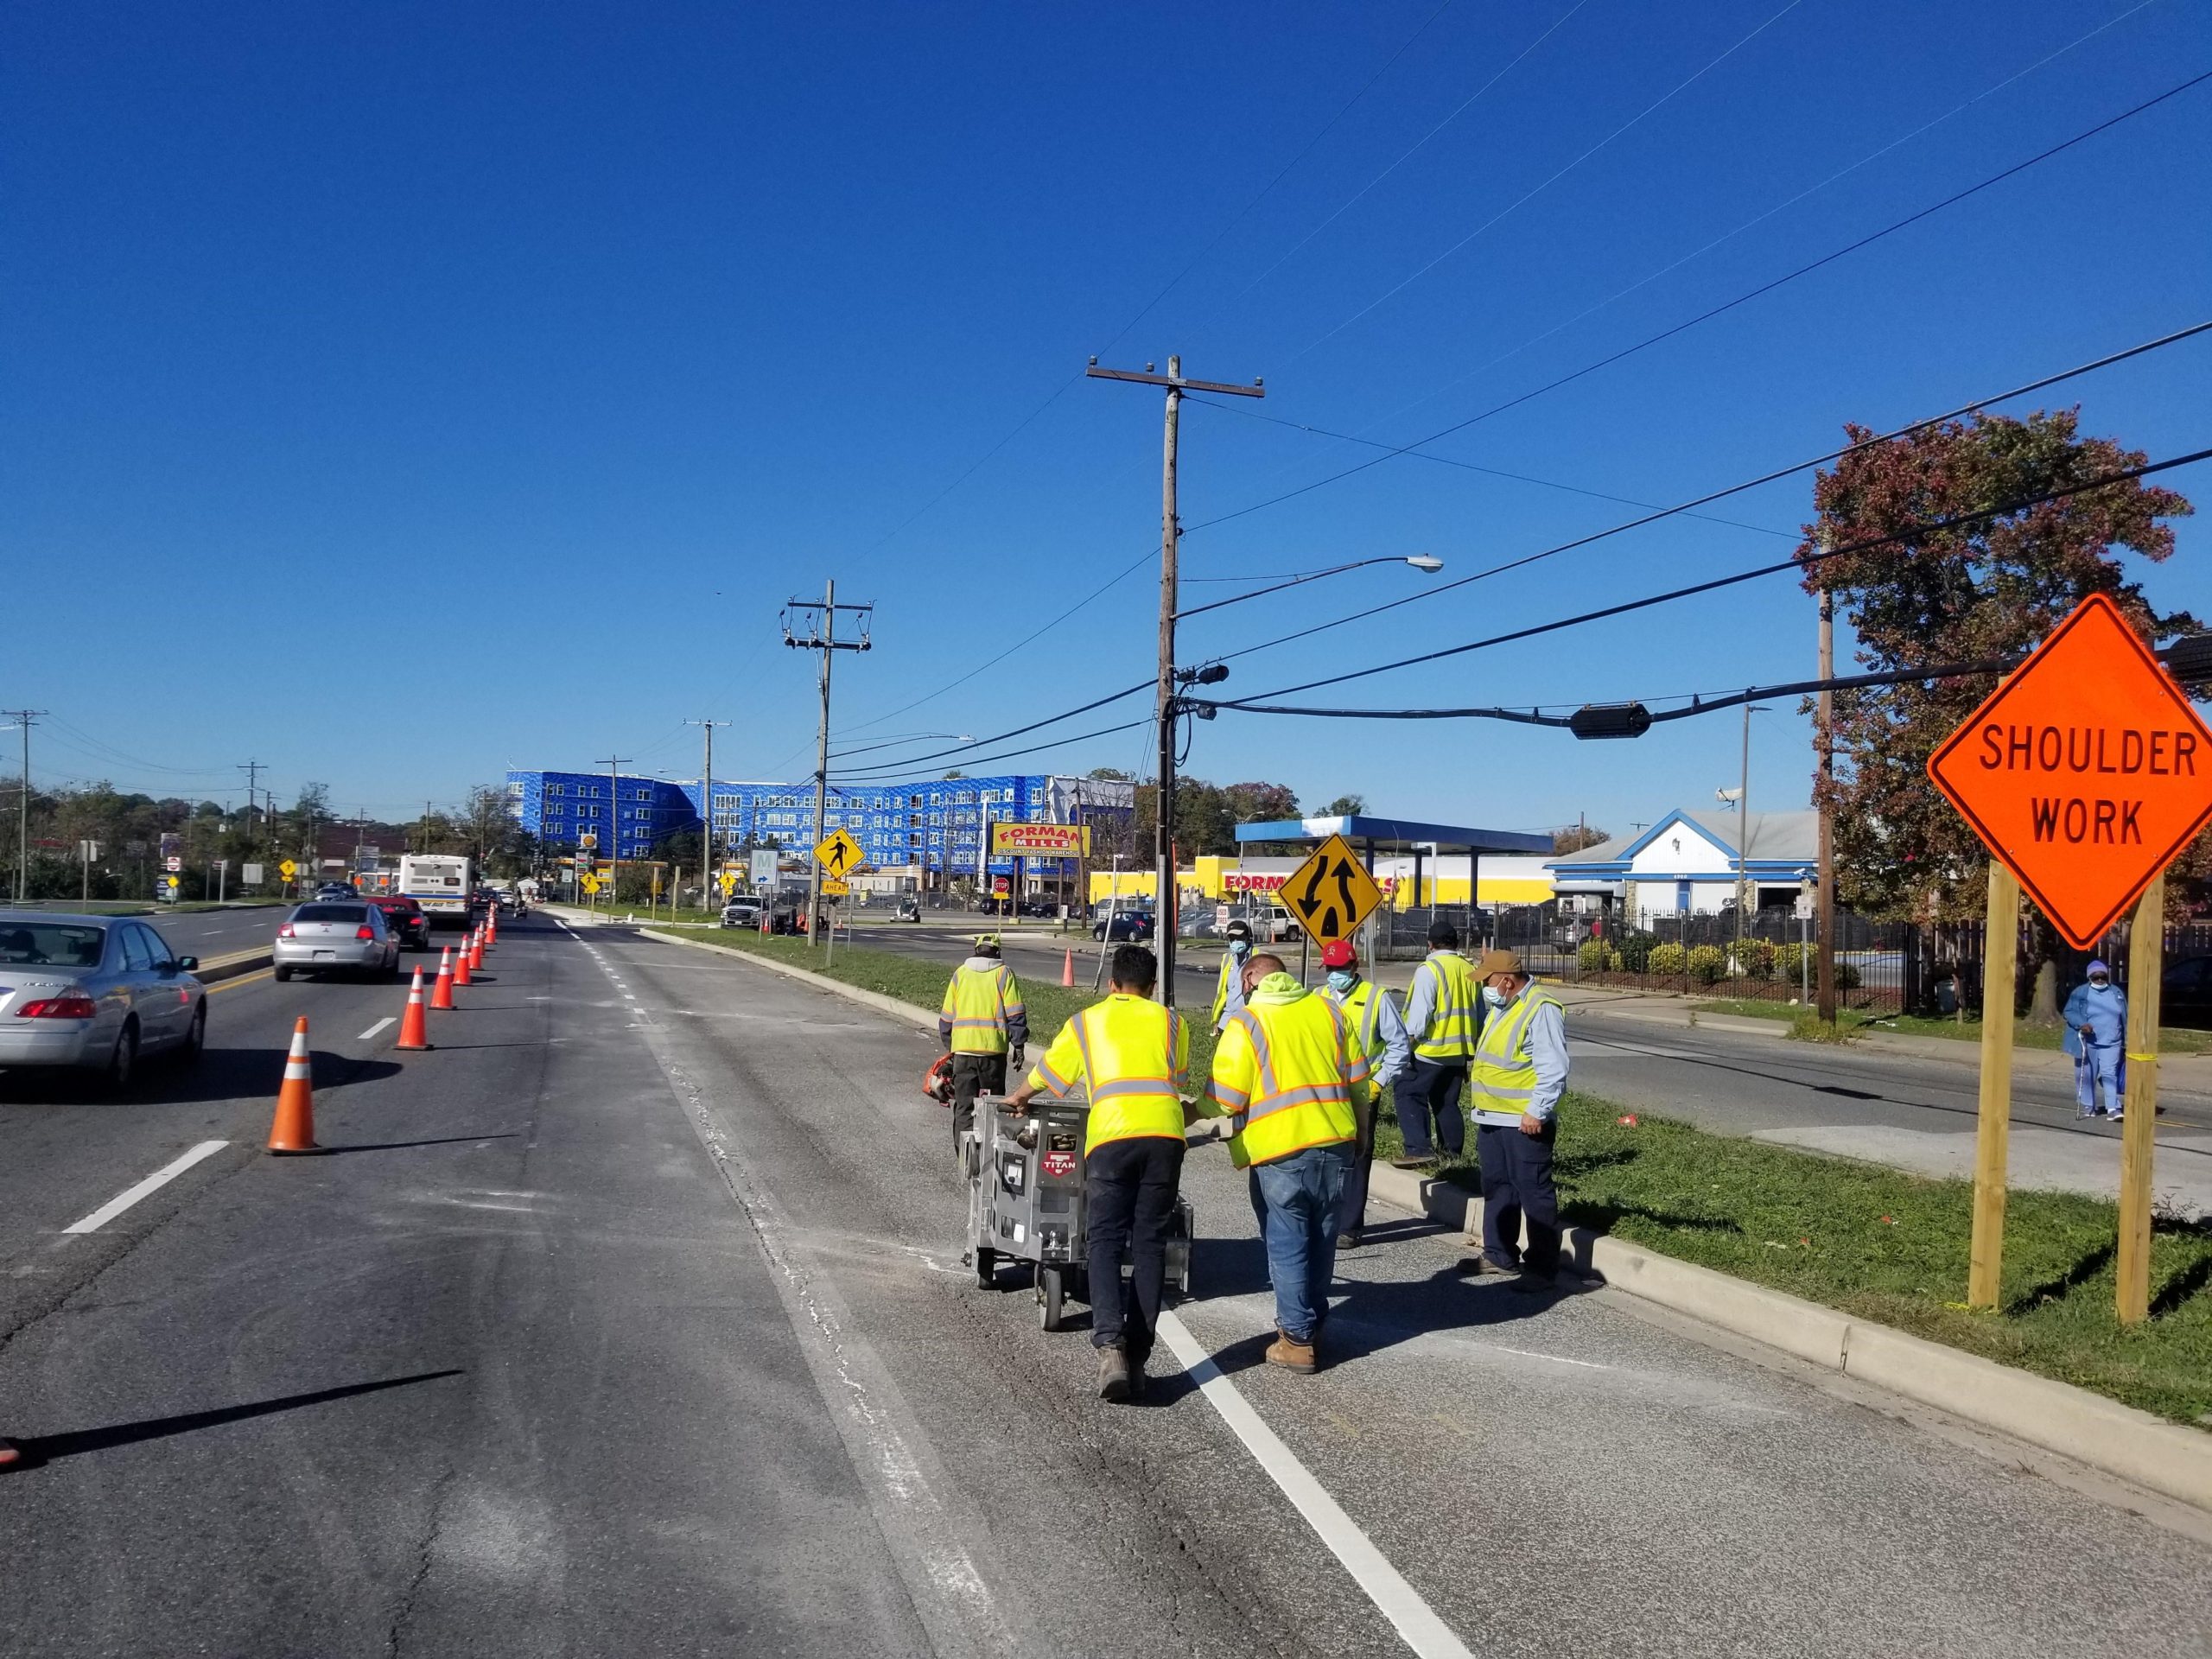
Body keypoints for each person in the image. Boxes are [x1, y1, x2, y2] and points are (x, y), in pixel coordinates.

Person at [1007, 944, 1192, 1402]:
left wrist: (1019, 1097)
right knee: (1149, 1246)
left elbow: (1051, 1074)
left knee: (1105, 1241)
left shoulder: (1086, 1023)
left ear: (1111, 984)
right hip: (1166, 1138)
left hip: (1112, 1138)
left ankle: (1110, 1346)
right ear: (1152, 988)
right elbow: (1180, 1078)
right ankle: (1140, 1355)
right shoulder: (1172, 1022)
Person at [1201, 951, 1367, 1374]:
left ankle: (1296, 1339)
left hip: (1281, 1153)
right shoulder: (1329, 1011)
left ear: (1254, 978)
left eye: (1243, 982)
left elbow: (1225, 1097)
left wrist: (1186, 1113)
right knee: (1323, 1239)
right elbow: (1359, 1083)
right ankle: (1313, 1321)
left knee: (1288, 1242)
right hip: (1336, 1144)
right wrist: (1363, 1137)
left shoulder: (1248, 1022)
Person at [1465, 948, 1569, 1291]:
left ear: (1507, 981)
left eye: (1489, 982)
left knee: (1534, 1193)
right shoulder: (1504, 1005)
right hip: (1493, 1117)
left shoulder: (1541, 1008)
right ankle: (1500, 1254)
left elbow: (1553, 1069)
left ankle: (1541, 1268)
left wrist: (1537, 1110)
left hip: (1524, 1122)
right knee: (1498, 1188)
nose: (1485, 989)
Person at [1319, 938, 1410, 1249]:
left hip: (1361, 1090)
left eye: (1340, 968)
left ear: (1355, 966)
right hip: (1324, 1089)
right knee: (1325, 1153)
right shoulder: (1318, 996)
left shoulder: (1376, 997)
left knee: (1358, 1156)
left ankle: (1349, 1226)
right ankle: (1325, 1218)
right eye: (1329, 969)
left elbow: (1399, 1046)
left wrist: (1379, 1081)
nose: (1334, 975)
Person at [1393, 918, 1481, 1167]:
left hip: (1430, 1050)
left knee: (1407, 1092)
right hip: (1459, 1050)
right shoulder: (1469, 968)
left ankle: (1419, 1149)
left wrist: (1406, 1046)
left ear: (1430, 944)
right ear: (1455, 943)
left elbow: (1419, 1018)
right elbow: (1480, 1013)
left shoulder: (1429, 969)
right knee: (1446, 1102)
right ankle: (1451, 1157)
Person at [938, 934, 1027, 1154]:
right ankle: (990, 1153)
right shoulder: (1003, 974)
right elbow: (1015, 1013)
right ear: (997, 952)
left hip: (964, 1054)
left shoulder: (960, 974)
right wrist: (1019, 1045)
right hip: (992, 1054)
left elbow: (947, 1017)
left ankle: (966, 1156)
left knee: (964, 1107)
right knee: (994, 1105)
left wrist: (951, 1047)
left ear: (976, 950)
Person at [2063, 959, 2127, 1121]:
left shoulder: (2116, 992)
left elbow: (2125, 1014)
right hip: (2087, 1041)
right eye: (2095, 977)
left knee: (2109, 1073)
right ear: (2089, 977)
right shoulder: (2080, 992)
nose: (2099, 980)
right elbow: (2069, 1012)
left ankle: (2113, 1108)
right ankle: (2088, 1105)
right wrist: (2082, 1024)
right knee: (2086, 1075)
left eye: (2102, 977)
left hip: (2112, 1041)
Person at [1210, 918, 1255, 1033]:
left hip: (1249, 1022)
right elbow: (1222, 992)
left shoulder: (1258, 958)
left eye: (1239, 938)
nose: (1235, 941)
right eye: (1232, 938)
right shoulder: (1227, 959)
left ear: (1248, 937)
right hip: (1227, 1020)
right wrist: (1217, 1020)